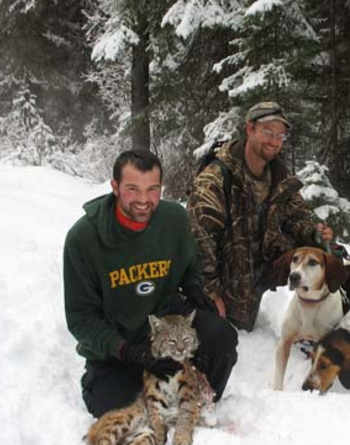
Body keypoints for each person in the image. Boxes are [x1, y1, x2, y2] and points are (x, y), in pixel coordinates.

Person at [64, 150, 238, 418]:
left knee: (221, 337)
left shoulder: (173, 219)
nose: (144, 200)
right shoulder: (83, 239)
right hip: (119, 344)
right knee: (118, 407)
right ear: (115, 186)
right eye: (132, 189)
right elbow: (81, 320)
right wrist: (129, 351)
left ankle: (196, 402)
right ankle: (138, 388)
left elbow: (189, 265)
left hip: (166, 328)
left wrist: (194, 289)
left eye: (152, 189)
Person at [187, 101, 334, 331]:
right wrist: (211, 292)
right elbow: (199, 241)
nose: (274, 141)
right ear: (250, 129)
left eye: (280, 135)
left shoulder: (279, 175)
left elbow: (298, 216)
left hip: (265, 258)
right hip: (232, 268)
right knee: (237, 326)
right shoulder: (215, 178)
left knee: (327, 255)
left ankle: (318, 322)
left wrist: (314, 231)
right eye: (268, 132)